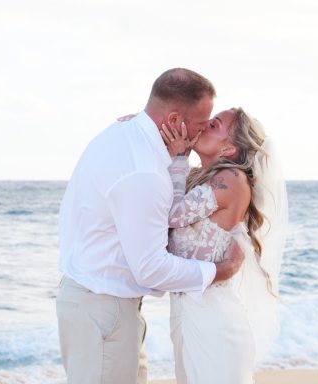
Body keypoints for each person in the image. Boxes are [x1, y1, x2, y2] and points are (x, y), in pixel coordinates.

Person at [56, 68, 245, 384]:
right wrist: (218, 271)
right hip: (104, 311)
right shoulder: (144, 171)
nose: (201, 132)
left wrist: (179, 158)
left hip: (101, 305)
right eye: (201, 124)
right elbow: (151, 269)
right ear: (173, 121)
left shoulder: (124, 136)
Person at [161, 107, 288, 383]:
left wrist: (179, 157)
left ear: (229, 149)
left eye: (214, 125)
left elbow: (169, 214)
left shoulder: (231, 179)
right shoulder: (199, 177)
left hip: (213, 320)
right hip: (187, 313)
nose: (205, 125)